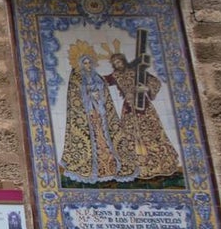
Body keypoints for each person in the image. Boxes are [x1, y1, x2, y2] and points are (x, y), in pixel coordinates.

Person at [58, 40, 135, 186]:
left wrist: (99, 96)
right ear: (80, 64)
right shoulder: (76, 78)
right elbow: (75, 97)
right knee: (94, 139)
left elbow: (105, 92)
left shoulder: (97, 77)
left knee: (105, 139)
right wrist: (88, 95)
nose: (87, 65)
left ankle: (110, 168)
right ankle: (95, 169)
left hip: (101, 114)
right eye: (85, 63)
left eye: (89, 62)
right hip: (88, 116)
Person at [104, 51, 183, 184]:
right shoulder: (116, 76)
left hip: (143, 106)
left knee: (152, 132)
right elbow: (103, 80)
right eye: (115, 63)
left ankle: (160, 166)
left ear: (123, 61)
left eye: (119, 61)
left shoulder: (137, 72)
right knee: (130, 135)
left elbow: (155, 82)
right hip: (128, 108)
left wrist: (146, 88)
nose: (117, 65)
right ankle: (138, 167)